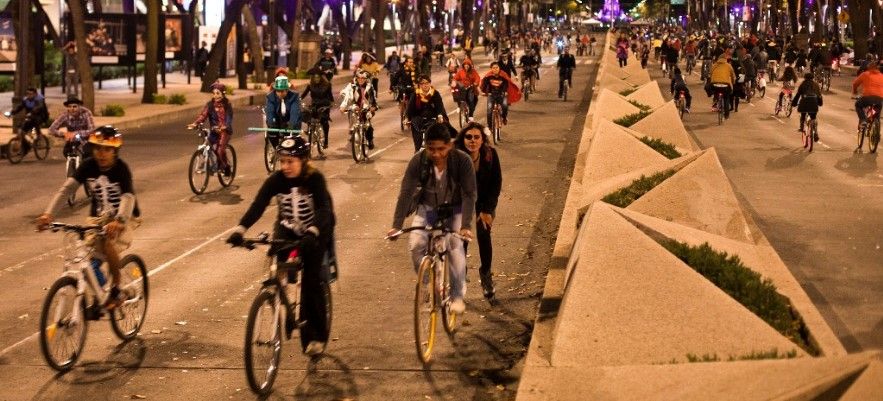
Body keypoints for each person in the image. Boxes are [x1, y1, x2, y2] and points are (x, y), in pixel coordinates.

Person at [226, 136, 336, 356]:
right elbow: (258, 204)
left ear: (303, 160)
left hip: (316, 228)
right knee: (277, 263)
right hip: (287, 227)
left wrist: (313, 232)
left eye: (290, 161)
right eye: (282, 161)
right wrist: (240, 229)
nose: (285, 166)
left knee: (311, 282)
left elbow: (324, 210)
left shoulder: (314, 179)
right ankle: (282, 297)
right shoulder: (276, 180)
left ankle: (315, 337)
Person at [36, 126, 140, 310]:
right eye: (98, 148)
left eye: (107, 149)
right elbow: (67, 189)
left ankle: (116, 289)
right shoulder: (88, 166)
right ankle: (104, 294)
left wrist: (119, 221)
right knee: (88, 261)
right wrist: (48, 214)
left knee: (108, 244)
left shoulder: (121, 168)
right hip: (99, 217)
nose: (102, 154)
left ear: (115, 151)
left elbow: (127, 197)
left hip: (125, 216)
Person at [387, 123, 476, 314]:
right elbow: (406, 192)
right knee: (416, 245)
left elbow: (469, 194)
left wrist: (466, 226)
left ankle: (457, 295)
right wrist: (396, 225)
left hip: (454, 209)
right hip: (428, 209)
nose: (436, 154)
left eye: (441, 149)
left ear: (449, 145)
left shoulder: (462, 161)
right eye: (431, 149)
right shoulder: (418, 161)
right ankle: (429, 281)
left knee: (453, 246)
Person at [453, 122, 501, 301]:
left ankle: (486, 276)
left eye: (476, 137)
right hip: (461, 200)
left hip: (484, 200)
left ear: (482, 140)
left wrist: (487, 210)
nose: (472, 141)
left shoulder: (490, 155)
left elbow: (496, 183)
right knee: (462, 237)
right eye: (468, 137)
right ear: (463, 139)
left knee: (484, 234)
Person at [188, 81, 235, 176]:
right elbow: (203, 115)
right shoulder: (210, 105)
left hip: (224, 132)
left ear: (223, 94)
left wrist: (225, 126)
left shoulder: (227, 104)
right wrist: (195, 123)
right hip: (214, 131)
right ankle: (206, 164)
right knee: (206, 145)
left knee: (219, 150)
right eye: (214, 93)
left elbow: (229, 117)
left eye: (218, 93)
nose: (215, 96)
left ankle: (226, 167)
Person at [406, 75, 447, 152]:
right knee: (417, 138)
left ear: (430, 83)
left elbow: (439, 106)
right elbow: (410, 108)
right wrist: (407, 119)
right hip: (418, 118)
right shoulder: (415, 94)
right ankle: (417, 151)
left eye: (427, 83)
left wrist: (440, 115)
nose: (425, 85)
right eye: (422, 83)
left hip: (432, 118)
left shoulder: (435, 93)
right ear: (420, 85)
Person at [339, 70, 378, 150]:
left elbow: (372, 98)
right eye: (359, 78)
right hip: (356, 106)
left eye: (363, 78)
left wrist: (373, 107)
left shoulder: (369, 87)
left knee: (367, 125)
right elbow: (347, 96)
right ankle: (353, 131)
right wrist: (343, 106)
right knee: (352, 113)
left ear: (366, 79)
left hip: (366, 107)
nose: (361, 80)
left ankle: (370, 140)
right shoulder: (352, 86)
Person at [301, 69, 335, 149]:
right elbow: (303, 95)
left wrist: (331, 103)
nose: (316, 79)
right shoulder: (310, 85)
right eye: (315, 77)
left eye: (318, 77)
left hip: (324, 105)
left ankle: (326, 140)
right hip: (315, 105)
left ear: (321, 78)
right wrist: (298, 99)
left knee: (324, 121)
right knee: (308, 115)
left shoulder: (327, 85)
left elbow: (330, 96)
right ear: (312, 78)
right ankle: (309, 129)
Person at [852, 56, 883, 132]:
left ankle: (863, 120)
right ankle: (877, 130)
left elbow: (855, 83)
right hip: (879, 98)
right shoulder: (881, 76)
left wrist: (855, 91)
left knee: (858, 105)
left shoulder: (865, 74)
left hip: (867, 97)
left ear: (869, 68)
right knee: (877, 113)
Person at [792, 72, 823, 138]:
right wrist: (820, 103)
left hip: (804, 102)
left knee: (803, 114)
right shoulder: (816, 85)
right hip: (814, 103)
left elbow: (798, 95)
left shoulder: (803, 84)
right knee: (813, 117)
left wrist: (794, 103)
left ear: (805, 78)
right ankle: (815, 132)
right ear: (813, 78)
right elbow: (819, 95)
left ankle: (801, 127)